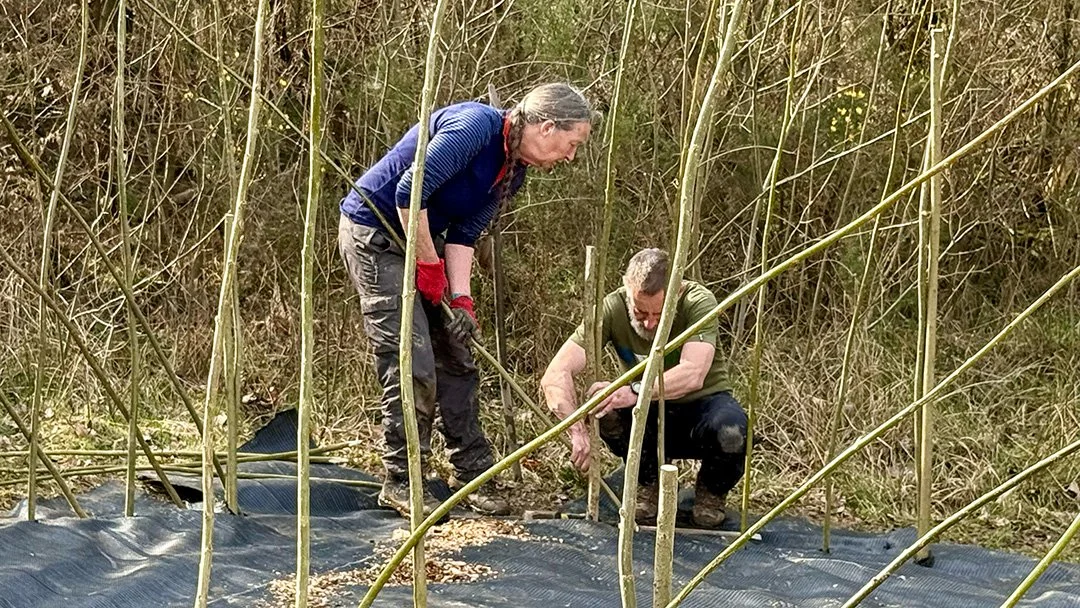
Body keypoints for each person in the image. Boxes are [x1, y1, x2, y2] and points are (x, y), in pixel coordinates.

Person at [338, 83, 593, 518]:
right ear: (548, 127)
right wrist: (428, 267)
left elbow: (464, 234)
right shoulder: (476, 128)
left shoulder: (513, 172)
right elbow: (407, 192)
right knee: (411, 358)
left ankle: (471, 472)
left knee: (458, 354)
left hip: (422, 242)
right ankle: (401, 479)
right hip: (376, 235)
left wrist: (461, 299)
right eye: (571, 145)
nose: (569, 157)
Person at [541, 248, 747, 527]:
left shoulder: (697, 301)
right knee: (604, 408)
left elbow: (693, 374)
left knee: (732, 429)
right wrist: (576, 427)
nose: (649, 323)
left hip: (701, 407)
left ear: (676, 293)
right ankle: (645, 483)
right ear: (627, 294)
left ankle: (711, 494)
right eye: (640, 312)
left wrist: (632, 390)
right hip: (646, 416)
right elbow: (556, 373)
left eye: (658, 315)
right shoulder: (612, 307)